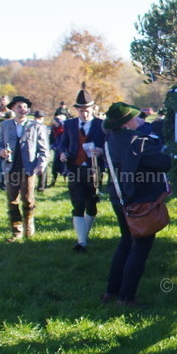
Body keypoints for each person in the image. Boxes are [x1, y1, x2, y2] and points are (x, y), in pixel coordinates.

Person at [102, 102, 171, 308]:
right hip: (140, 202)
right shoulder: (138, 141)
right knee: (139, 248)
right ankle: (126, 297)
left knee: (125, 242)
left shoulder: (110, 139)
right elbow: (164, 163)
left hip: (119, 198)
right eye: (134, 118)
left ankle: (110, 292)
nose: (138, 119)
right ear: (125, 124)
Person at [55, 86, 105, 252]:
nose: (84, 113)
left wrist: (102, 151)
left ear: (93, 109)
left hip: (94, 169)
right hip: (74, 168)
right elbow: (63, 143)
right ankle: (81, 242)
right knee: (77, 204)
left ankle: (84, 235)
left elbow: (108, 145)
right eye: (81, 110)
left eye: (87, 110)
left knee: (91, 203)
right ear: (76, 110)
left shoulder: (101, 125)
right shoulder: (69, 124)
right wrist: (62, 153)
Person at [0, 95, 51, 242]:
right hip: (11, 166)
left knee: (27, 199)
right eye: (19, 107)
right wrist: (1, 152)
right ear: (13, 109)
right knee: (12, 199)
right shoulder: (5, 125)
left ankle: (29, 226)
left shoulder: (36, 126)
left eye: (25, 107)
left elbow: (44, 150)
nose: (23, 109)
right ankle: (16, 230)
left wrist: (40, 166)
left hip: (29, 168)